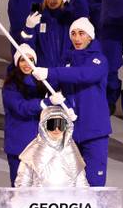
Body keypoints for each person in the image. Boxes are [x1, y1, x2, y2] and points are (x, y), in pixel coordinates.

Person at [32, 17, 111, 187]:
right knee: (68, 179)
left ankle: (94, 205)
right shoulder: (66, 60)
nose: (77, 38)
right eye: (73, 34)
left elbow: (84, 75)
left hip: (94, 130)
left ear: (90, 36)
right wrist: (45, 82)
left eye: (81, 33)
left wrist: (51, 72)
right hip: (70, 131)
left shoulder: (99, 60)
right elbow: (54, 84)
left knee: (94, 180)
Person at [1, 44, 52, 186]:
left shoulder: (42, 84)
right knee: (19, 184)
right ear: (17, 63)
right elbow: (21, 108)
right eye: (23, 60)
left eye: (30, 59)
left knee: (38, 185)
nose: (27, 63)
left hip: (39, 143)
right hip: (18, 143)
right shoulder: (10, 86)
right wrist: (45, 102)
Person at [20, 0, 88, 68]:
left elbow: (83, 14)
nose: (51, 0)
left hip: (65, 70)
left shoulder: (69, 17)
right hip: (44, 71)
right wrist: (28, 28)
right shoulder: (37, 17)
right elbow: (26, 46)